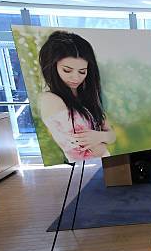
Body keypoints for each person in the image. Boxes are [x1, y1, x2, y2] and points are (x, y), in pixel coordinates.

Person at [38, 31, 115, 163]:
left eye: (82, 71)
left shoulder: (87, 96)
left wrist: (99, 136)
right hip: (86, 166)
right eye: (67, 70)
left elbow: (112, 135)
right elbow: (84, 144)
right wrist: (101, 137)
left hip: (102, 161)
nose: (76, 78)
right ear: (52, 67)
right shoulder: (50, 99)